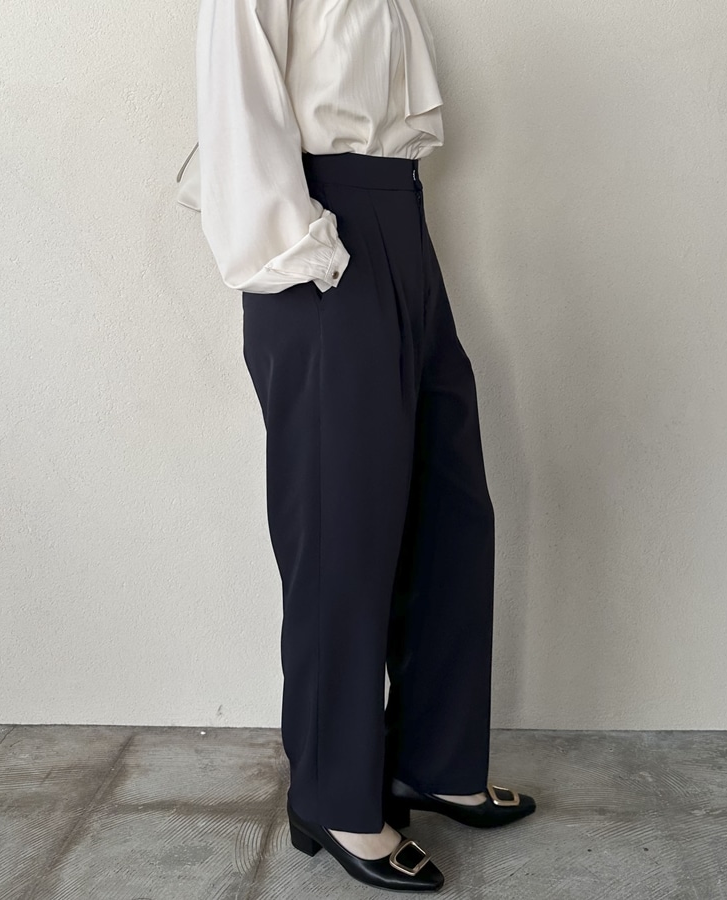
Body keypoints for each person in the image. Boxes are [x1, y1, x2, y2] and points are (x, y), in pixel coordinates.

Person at [195, 0, 536, 891]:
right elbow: (239, 107)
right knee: (340, 533)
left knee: (449, 507)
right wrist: (309, 257)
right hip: (319, 241)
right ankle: (335, 794)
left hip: (401, 226)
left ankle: (433, 759)